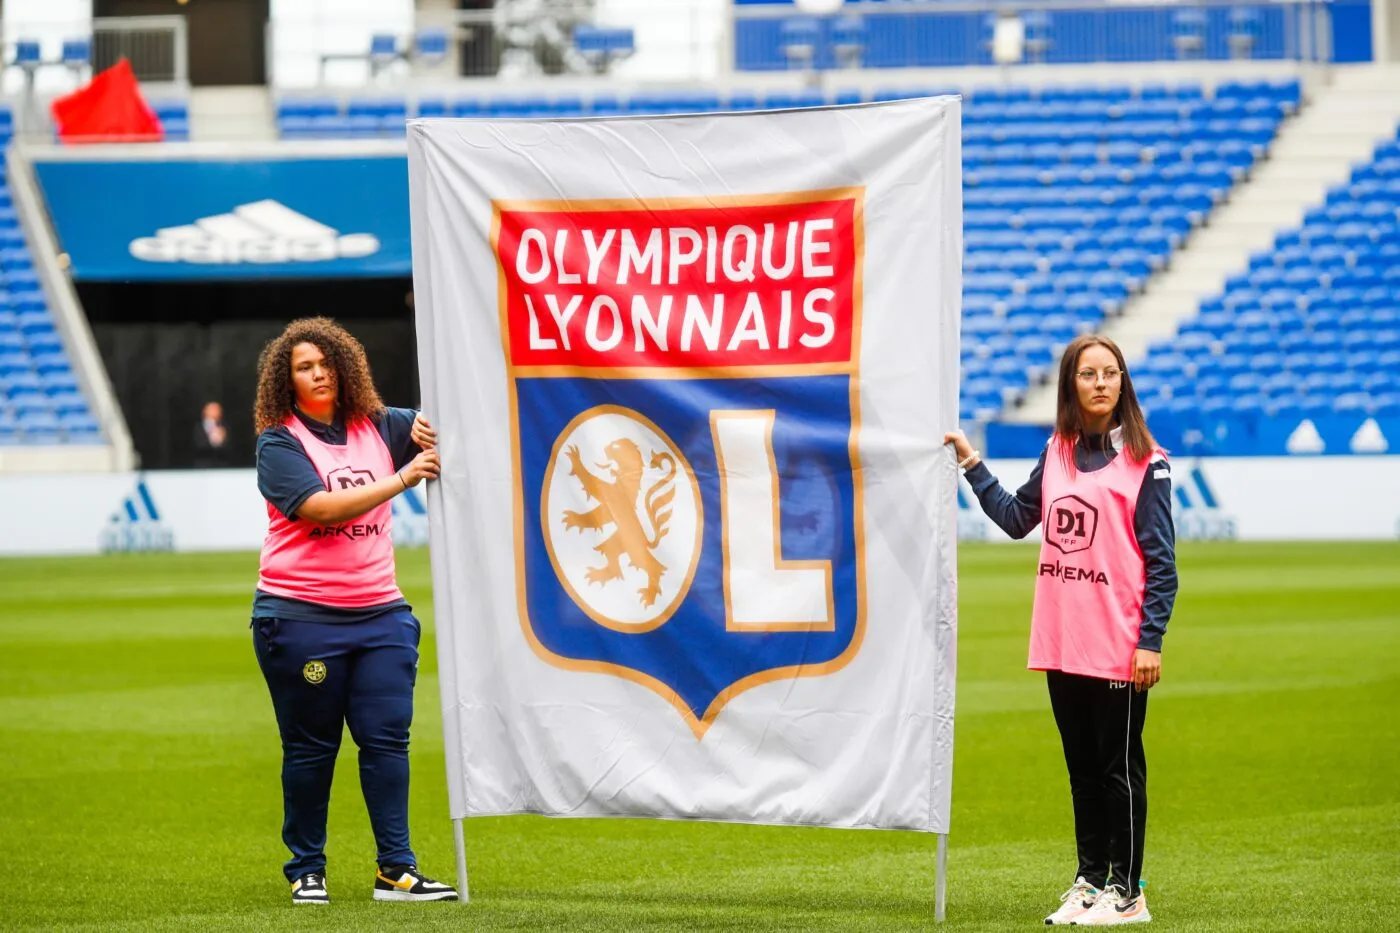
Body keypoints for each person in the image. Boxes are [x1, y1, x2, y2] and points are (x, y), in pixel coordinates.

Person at [945, 334, 1176, 927]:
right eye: (1088, 374)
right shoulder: (1057, 451)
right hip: (1061, 640)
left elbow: (1162, 565)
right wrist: (971, 464)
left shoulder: (1148, 462)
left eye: (1110, 373)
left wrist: (1150, 641)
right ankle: (1090, 881)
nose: (1100, 383)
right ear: (1071, 384)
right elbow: (1016, 518)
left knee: (1119, 771)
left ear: (1123, 383)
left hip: (1118, 646)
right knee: (1082, 773)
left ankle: (1128, 893)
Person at [250, 316, 456, 906]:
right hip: (300, 618)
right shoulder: (279, 443)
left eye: (325, 364)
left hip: (381, 615)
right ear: (286, 381)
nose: (318, 374)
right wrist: (402, 477)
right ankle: (306, 869)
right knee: (312, 749)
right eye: (304, 368)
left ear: (344, 368)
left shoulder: (381, 425)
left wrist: (430, 424)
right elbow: (320, 508)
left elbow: (449, 427)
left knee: (388, 741)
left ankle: (397, 870)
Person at [193, 400, 233, 468]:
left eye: (218, 409)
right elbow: (197, 445)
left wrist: (223, 439)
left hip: (222, 465)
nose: (217, 412)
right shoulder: (198, 427)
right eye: (213, 409)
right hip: (203, 466)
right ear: (205, 411)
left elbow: (230, 446)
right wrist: (213, 441)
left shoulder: (225, 427)